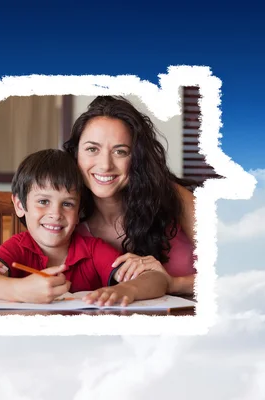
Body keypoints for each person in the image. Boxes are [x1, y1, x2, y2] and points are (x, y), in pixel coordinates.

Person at [0, 149, 169, 306]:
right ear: (20, 205)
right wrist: (20, 290)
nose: (56, 214)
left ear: (79, 211)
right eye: (43, 201)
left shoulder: (93, 250)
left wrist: (128, 289)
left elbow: (157, 279)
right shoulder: (17, 247)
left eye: (67, 204)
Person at [62, 95, 198, 295]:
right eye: (92, 149)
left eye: (120, 152)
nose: (105, 165)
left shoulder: (172, 196)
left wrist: (173, 283)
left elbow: (239, 271)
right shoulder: (66, 214)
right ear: (76, 154)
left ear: (137, 158)